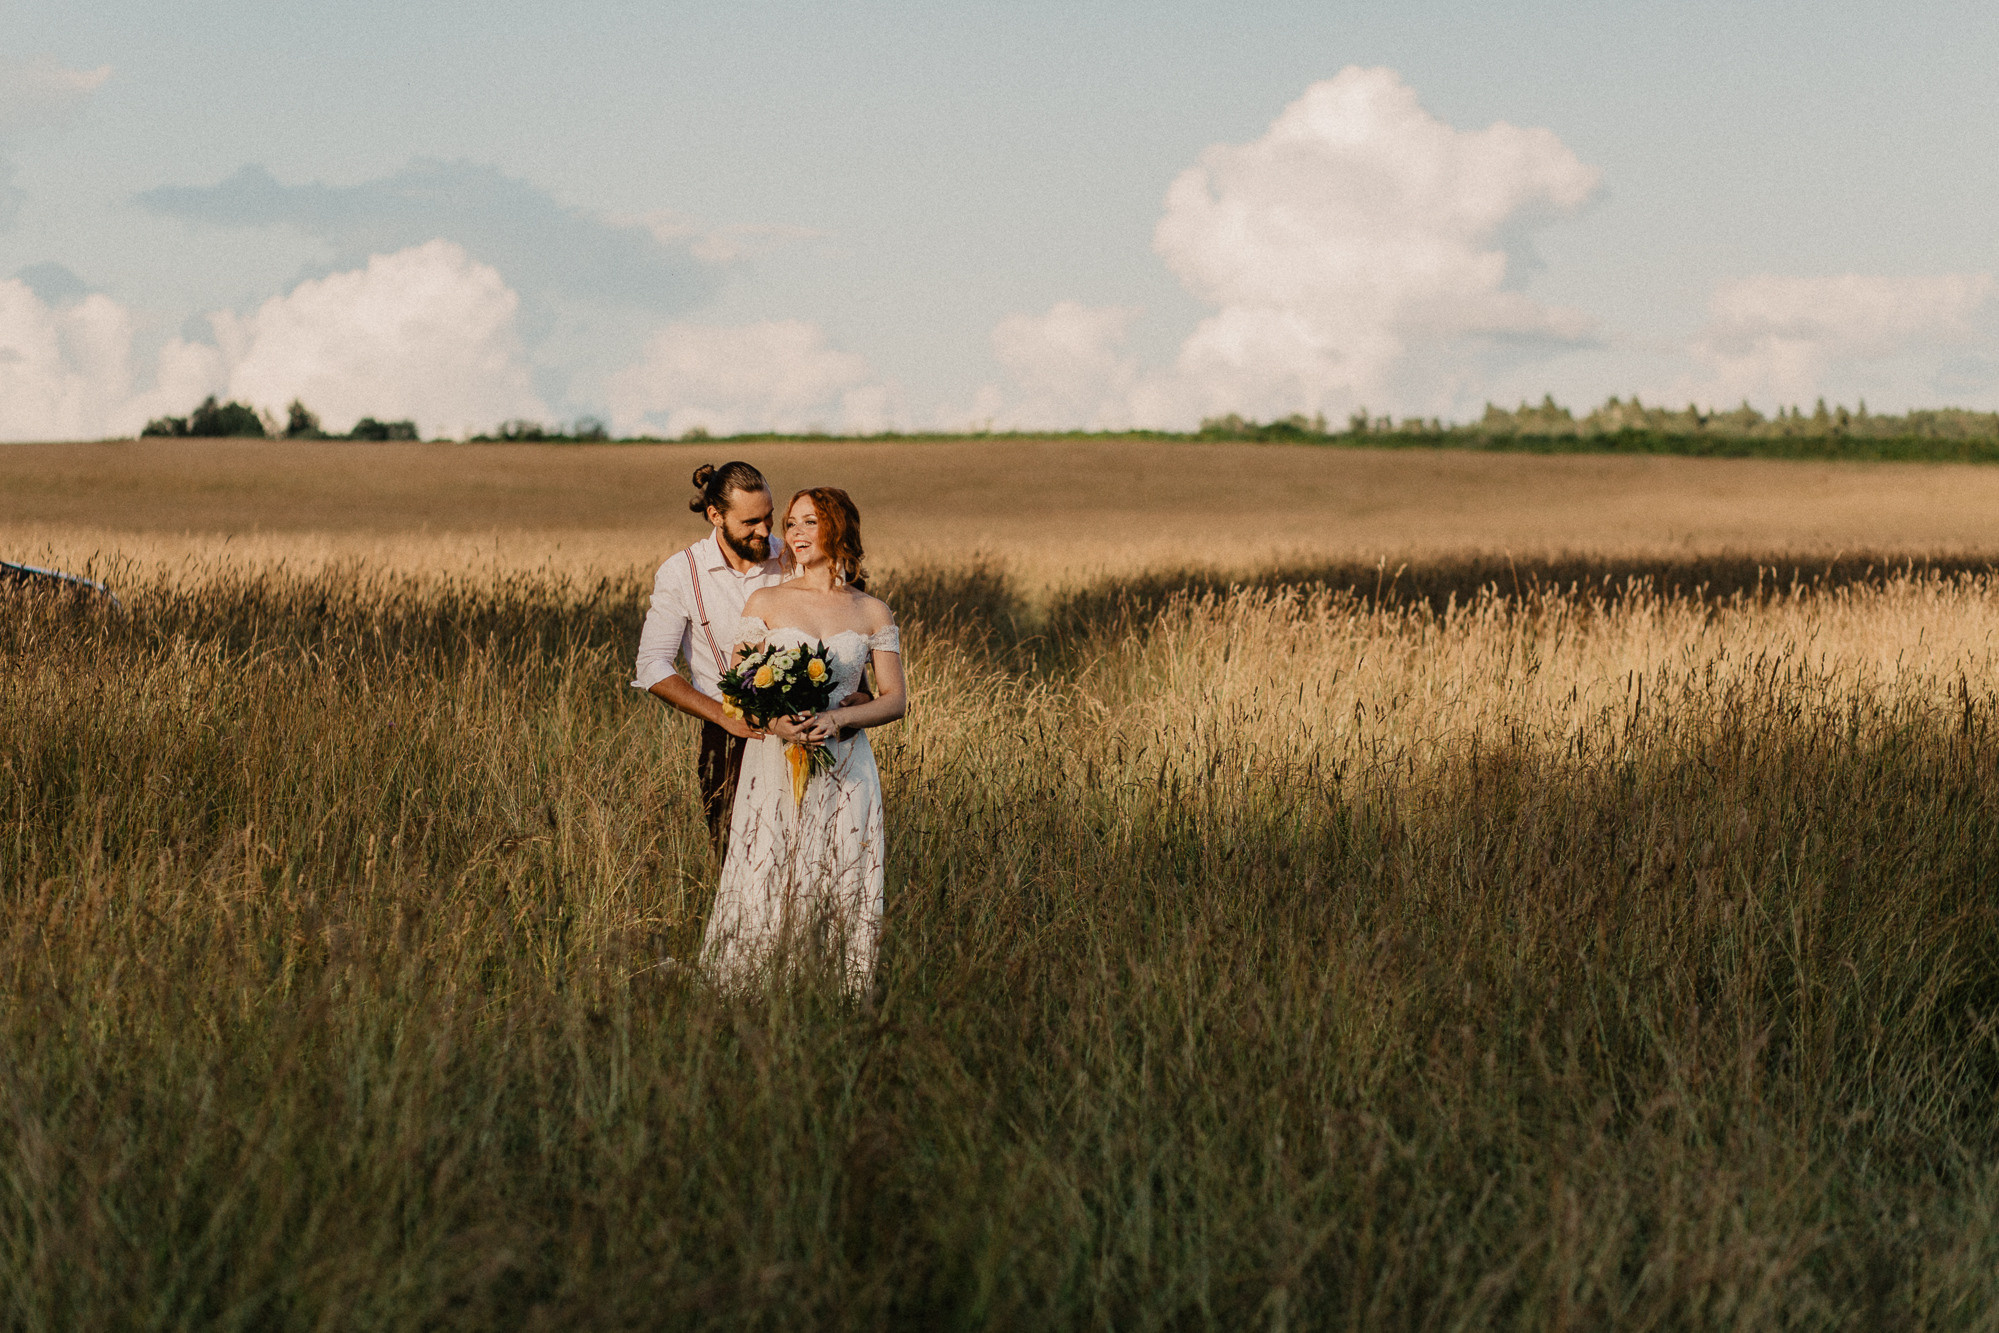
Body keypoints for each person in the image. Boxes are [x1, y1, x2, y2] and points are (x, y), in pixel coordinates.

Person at [703, 487, 906, 991]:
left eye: (808, 522)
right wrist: (776, 724)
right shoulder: (765, 601)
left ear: (838, 528)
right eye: (790, 524)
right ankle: (750, 992)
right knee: (767, 869)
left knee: (842, 870)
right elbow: (738, 690)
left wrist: (838, 720)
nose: (793, 534)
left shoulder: (872, 612)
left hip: (846, 762)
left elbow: (895, 700)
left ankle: (840, 991)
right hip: (773, 758)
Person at [631, 462, 870, 847]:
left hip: (814, 731)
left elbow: (839, 622)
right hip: (728, 738)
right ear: (715, 516)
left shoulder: (794, 557)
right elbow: (652, 665)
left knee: (817, 854)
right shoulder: (680, 572)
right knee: (739, 862)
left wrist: (861, 689)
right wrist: (722, 716)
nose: (765, 530)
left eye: (770, 517)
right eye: (750, 522)